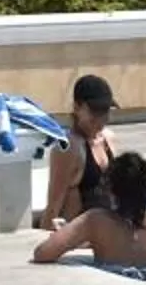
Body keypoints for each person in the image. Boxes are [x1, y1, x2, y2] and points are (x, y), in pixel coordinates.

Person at [31, 150, 146, 282]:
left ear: (111, 190)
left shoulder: (95, 220)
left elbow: (42, 253)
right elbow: (129, 240)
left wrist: (67, 233)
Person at [34, 74, 118, 229]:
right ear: (77, 108)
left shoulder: (109, 139)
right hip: (78, 237)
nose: (101, 119)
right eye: (94, 112)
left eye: (105, 111)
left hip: (106, 234)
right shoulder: (68, 149)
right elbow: (54, 205)